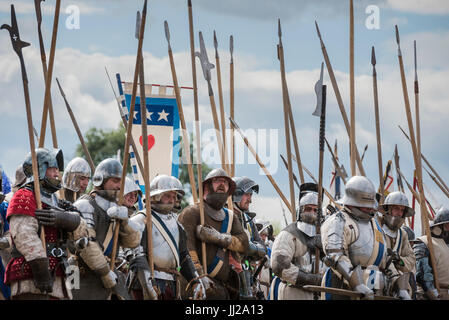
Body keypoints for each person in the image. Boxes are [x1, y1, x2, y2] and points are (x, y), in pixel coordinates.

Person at [5, 148, 83, 300]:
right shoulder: (24, 195)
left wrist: (69, 219)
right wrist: (41, 269)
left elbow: (81, 232)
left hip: (59, 274)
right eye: (52, 169)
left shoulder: (56, 201)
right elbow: (24, 235)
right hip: (32, 276)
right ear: (40, 169)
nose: (57, 174)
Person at [71, 158, 142, 300]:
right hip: (82, 273)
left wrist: (125, 222)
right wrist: (104, 272)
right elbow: (87, 245)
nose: (119, 185)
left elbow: (132, 243)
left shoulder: (114, 208)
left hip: (109, 271)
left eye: (121, 181)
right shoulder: (85, 205)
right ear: (100, 180)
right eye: (115, 181)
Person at [126, 175, 205, 300]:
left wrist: (196, 281)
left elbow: (184, 256)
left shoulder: (177, 224)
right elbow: (136, 256)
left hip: (171, 283)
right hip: (146, 283)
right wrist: (147, 285)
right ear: (155, 196)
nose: (172, 200)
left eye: (174, 196)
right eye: (168, 195)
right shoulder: (141, 220)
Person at [178, 168, 249, 299]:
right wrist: (199, 277)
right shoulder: (192, 213)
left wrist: (218, 238)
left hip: (222, 288)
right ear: (206, 187)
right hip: (195, 287)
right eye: (217, 181)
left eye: (225, 182)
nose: (222, 184)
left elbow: (244, 244)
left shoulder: (231, 217)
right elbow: (187, 250)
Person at [320, 176, 387, 300]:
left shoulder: (375, 224)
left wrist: (397, 284)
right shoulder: (338, 221)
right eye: (365, 205)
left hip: (373, 289)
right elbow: (336, 256)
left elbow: (385, 259)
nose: (370, 208)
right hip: (343, 288)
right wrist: (358, 284)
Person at [269, 183, 324, 300]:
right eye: (308, 209)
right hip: (294, 293)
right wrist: (312, 280)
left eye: (316, 210)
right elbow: (279, 266)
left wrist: (324, 249)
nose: (312, 213)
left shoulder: (324, 236)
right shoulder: (288, 234)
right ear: (301, 210)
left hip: (318, 294)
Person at [231, 176, 267, 299]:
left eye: (251, 195)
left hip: (248, 276)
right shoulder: (225, 216)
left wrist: (246, 247)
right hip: (230, 277)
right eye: (247, 195)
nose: (250, 200)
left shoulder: (248, 220)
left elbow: (262, 248)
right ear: (236, 194)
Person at [379, 191, 416, 299]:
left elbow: (411, 259)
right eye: (396, 208)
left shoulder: (402, 234)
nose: (399, 213)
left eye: (402, 210)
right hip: (376, 277)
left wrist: (399, 260)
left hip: (397, 283)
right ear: (388, 209)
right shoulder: (376, 227)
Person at [413, 207, 449, 300]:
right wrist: (434, 295)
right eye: (448, 225)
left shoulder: (446, 245)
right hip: (429, 296)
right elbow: (423, 275)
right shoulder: (424, 243)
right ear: (439, 226)